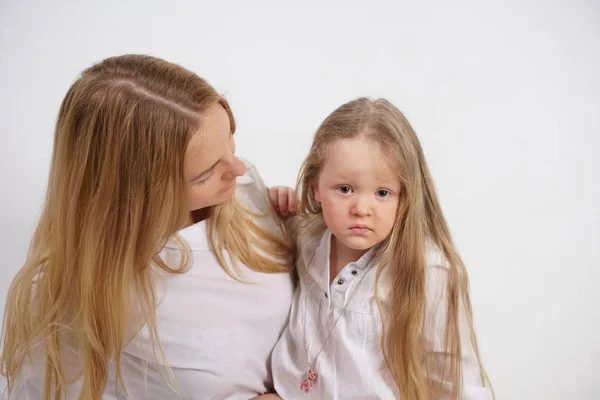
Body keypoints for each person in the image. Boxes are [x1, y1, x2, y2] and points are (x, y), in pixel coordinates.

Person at [0, 54, 294, 399]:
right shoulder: (66, 300)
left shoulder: (246, 196)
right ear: (135, 192)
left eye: (230, 139)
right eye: (205, 173)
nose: (239, 168)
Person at [269, 98, 494, 399]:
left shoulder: (427, 270)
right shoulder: (306, 236)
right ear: (315, 187)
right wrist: (274, 208)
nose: (362, 208)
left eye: (383, 193)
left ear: (407, 196)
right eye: (345, 189)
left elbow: (455, 381)